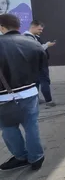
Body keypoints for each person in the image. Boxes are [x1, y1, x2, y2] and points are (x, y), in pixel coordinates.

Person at [0, 14, 46, 171]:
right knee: (31, 126)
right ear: (18, 27)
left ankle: (21, 157)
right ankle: (37, 158)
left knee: (8, 128)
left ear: (2, 27)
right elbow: (41, 67)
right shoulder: (33, 43)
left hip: (4, 96)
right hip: (30, 92)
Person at [23, 20, 56, 107]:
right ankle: (49, 101)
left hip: (34, 64)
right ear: (33, 27)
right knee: (44, 81)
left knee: (36, 82)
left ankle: (36, 100)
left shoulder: (31, 36)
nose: (41, 31)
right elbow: (36, 49)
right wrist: (47, 45)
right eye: (39, 29)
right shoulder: (28, 37)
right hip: (39, 64)